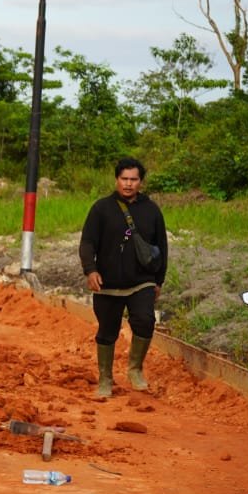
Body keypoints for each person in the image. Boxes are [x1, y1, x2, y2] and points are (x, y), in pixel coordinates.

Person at [79, 157, 168, 397]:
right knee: (107, 331)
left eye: (134, 179)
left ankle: (135, 369)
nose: (128, 184)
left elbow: (161, 246)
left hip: (142, 281)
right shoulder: (101, 209)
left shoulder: (151, 210)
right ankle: (105, 379)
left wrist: (158, 280)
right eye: (124, 179)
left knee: (145, 320)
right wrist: (91, 270)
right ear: (117, 179)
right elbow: (87, 242)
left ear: (141, 181)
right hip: (108, 283)